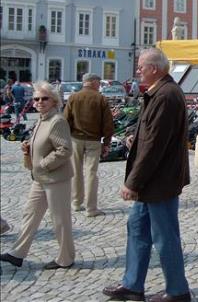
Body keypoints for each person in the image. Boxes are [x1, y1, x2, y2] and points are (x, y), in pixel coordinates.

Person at [102, 48, 191, 302]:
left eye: (141, 66)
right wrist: (136, 138)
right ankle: (132, 285)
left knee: (165, 236)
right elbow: (152, 136)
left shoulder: (166, 95)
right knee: (137, 229)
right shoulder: (160, 93)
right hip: (154, 181)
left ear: (155, 68)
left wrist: (133, 182)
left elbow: (155, 145)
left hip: (159, 181)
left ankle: (177, 291)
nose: (138, 70)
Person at [0, 81, 75, 270]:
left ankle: (65, 258)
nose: (39, 102)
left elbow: (64, 150)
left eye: (44, 98)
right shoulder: (41, 119)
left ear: (54, 100)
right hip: (40, 178)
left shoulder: (57, 121)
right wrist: (28, 147)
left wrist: (42, 164)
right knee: (30, 214)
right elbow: (43, 144)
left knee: (60, 219)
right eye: (36, 99)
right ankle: (17, 253)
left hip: (56, 178)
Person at [64, 73, 114, 217]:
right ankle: (91, 208)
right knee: (91, 173)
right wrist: (107, 142)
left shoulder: (73, 97)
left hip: (75, 139)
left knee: (76, 171)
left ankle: (76, 202)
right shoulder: (100, 98)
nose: (99, 85)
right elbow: (108, 124)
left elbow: (65, 119)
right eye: (98, 82)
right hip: (93, 140)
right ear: (92, 82)